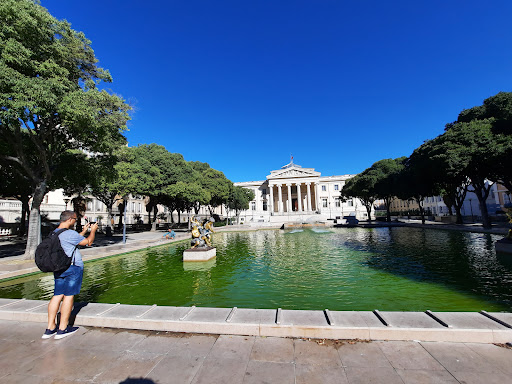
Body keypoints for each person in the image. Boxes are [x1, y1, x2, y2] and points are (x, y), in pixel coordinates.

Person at [42, 210, 98, 339]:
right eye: (75, 219)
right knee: (68, 296)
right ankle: (63, 328)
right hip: (72, 267)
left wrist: (83, 231)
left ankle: (50, 328)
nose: (75, 221)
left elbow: (73, 241)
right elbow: (88, 242)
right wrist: (93, 230)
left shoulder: (55, 233)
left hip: (58, 267)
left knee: (57, 295)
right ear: (70, 219)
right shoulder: (70, 233)